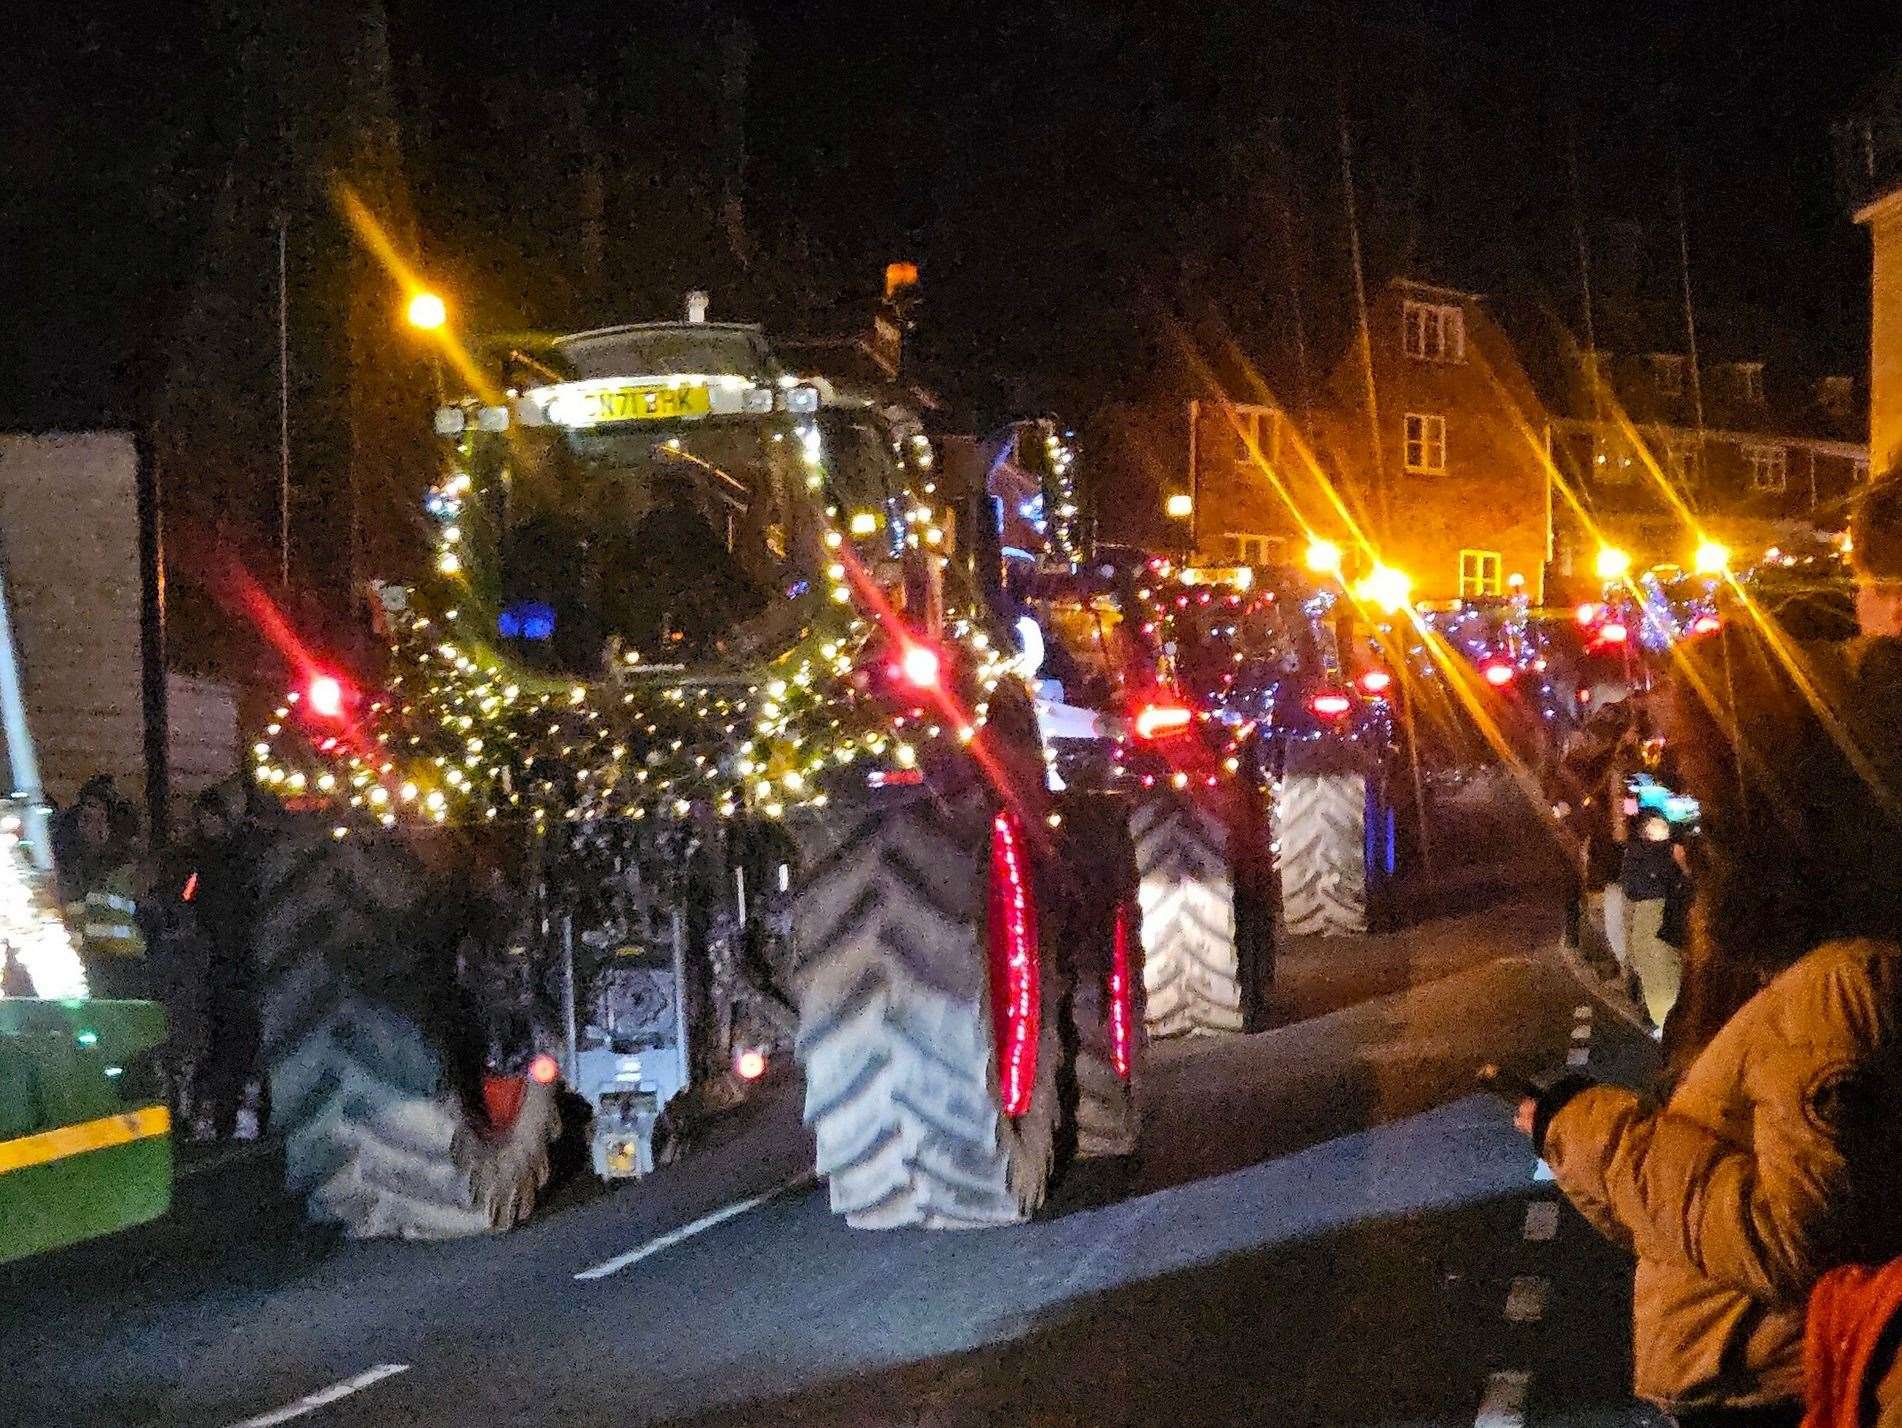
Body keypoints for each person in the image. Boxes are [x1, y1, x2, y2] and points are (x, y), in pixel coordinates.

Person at [1515, 621, 1902, 1425]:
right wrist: (1576, 1144)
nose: (1683, 793)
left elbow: (1788, 1240)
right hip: (1746, 1372)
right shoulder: (1777, 954)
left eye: (1696, 766)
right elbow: (1697, 1213)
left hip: (1772, 1385)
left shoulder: (1834, 984)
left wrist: (1590, 1130)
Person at [56, 776, 147, 998]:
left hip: (124, 971)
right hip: (83, 969)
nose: (86, 825)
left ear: (109, 823)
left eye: (94, 816)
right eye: (83, 818)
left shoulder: (131, 869)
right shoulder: (73, 868)